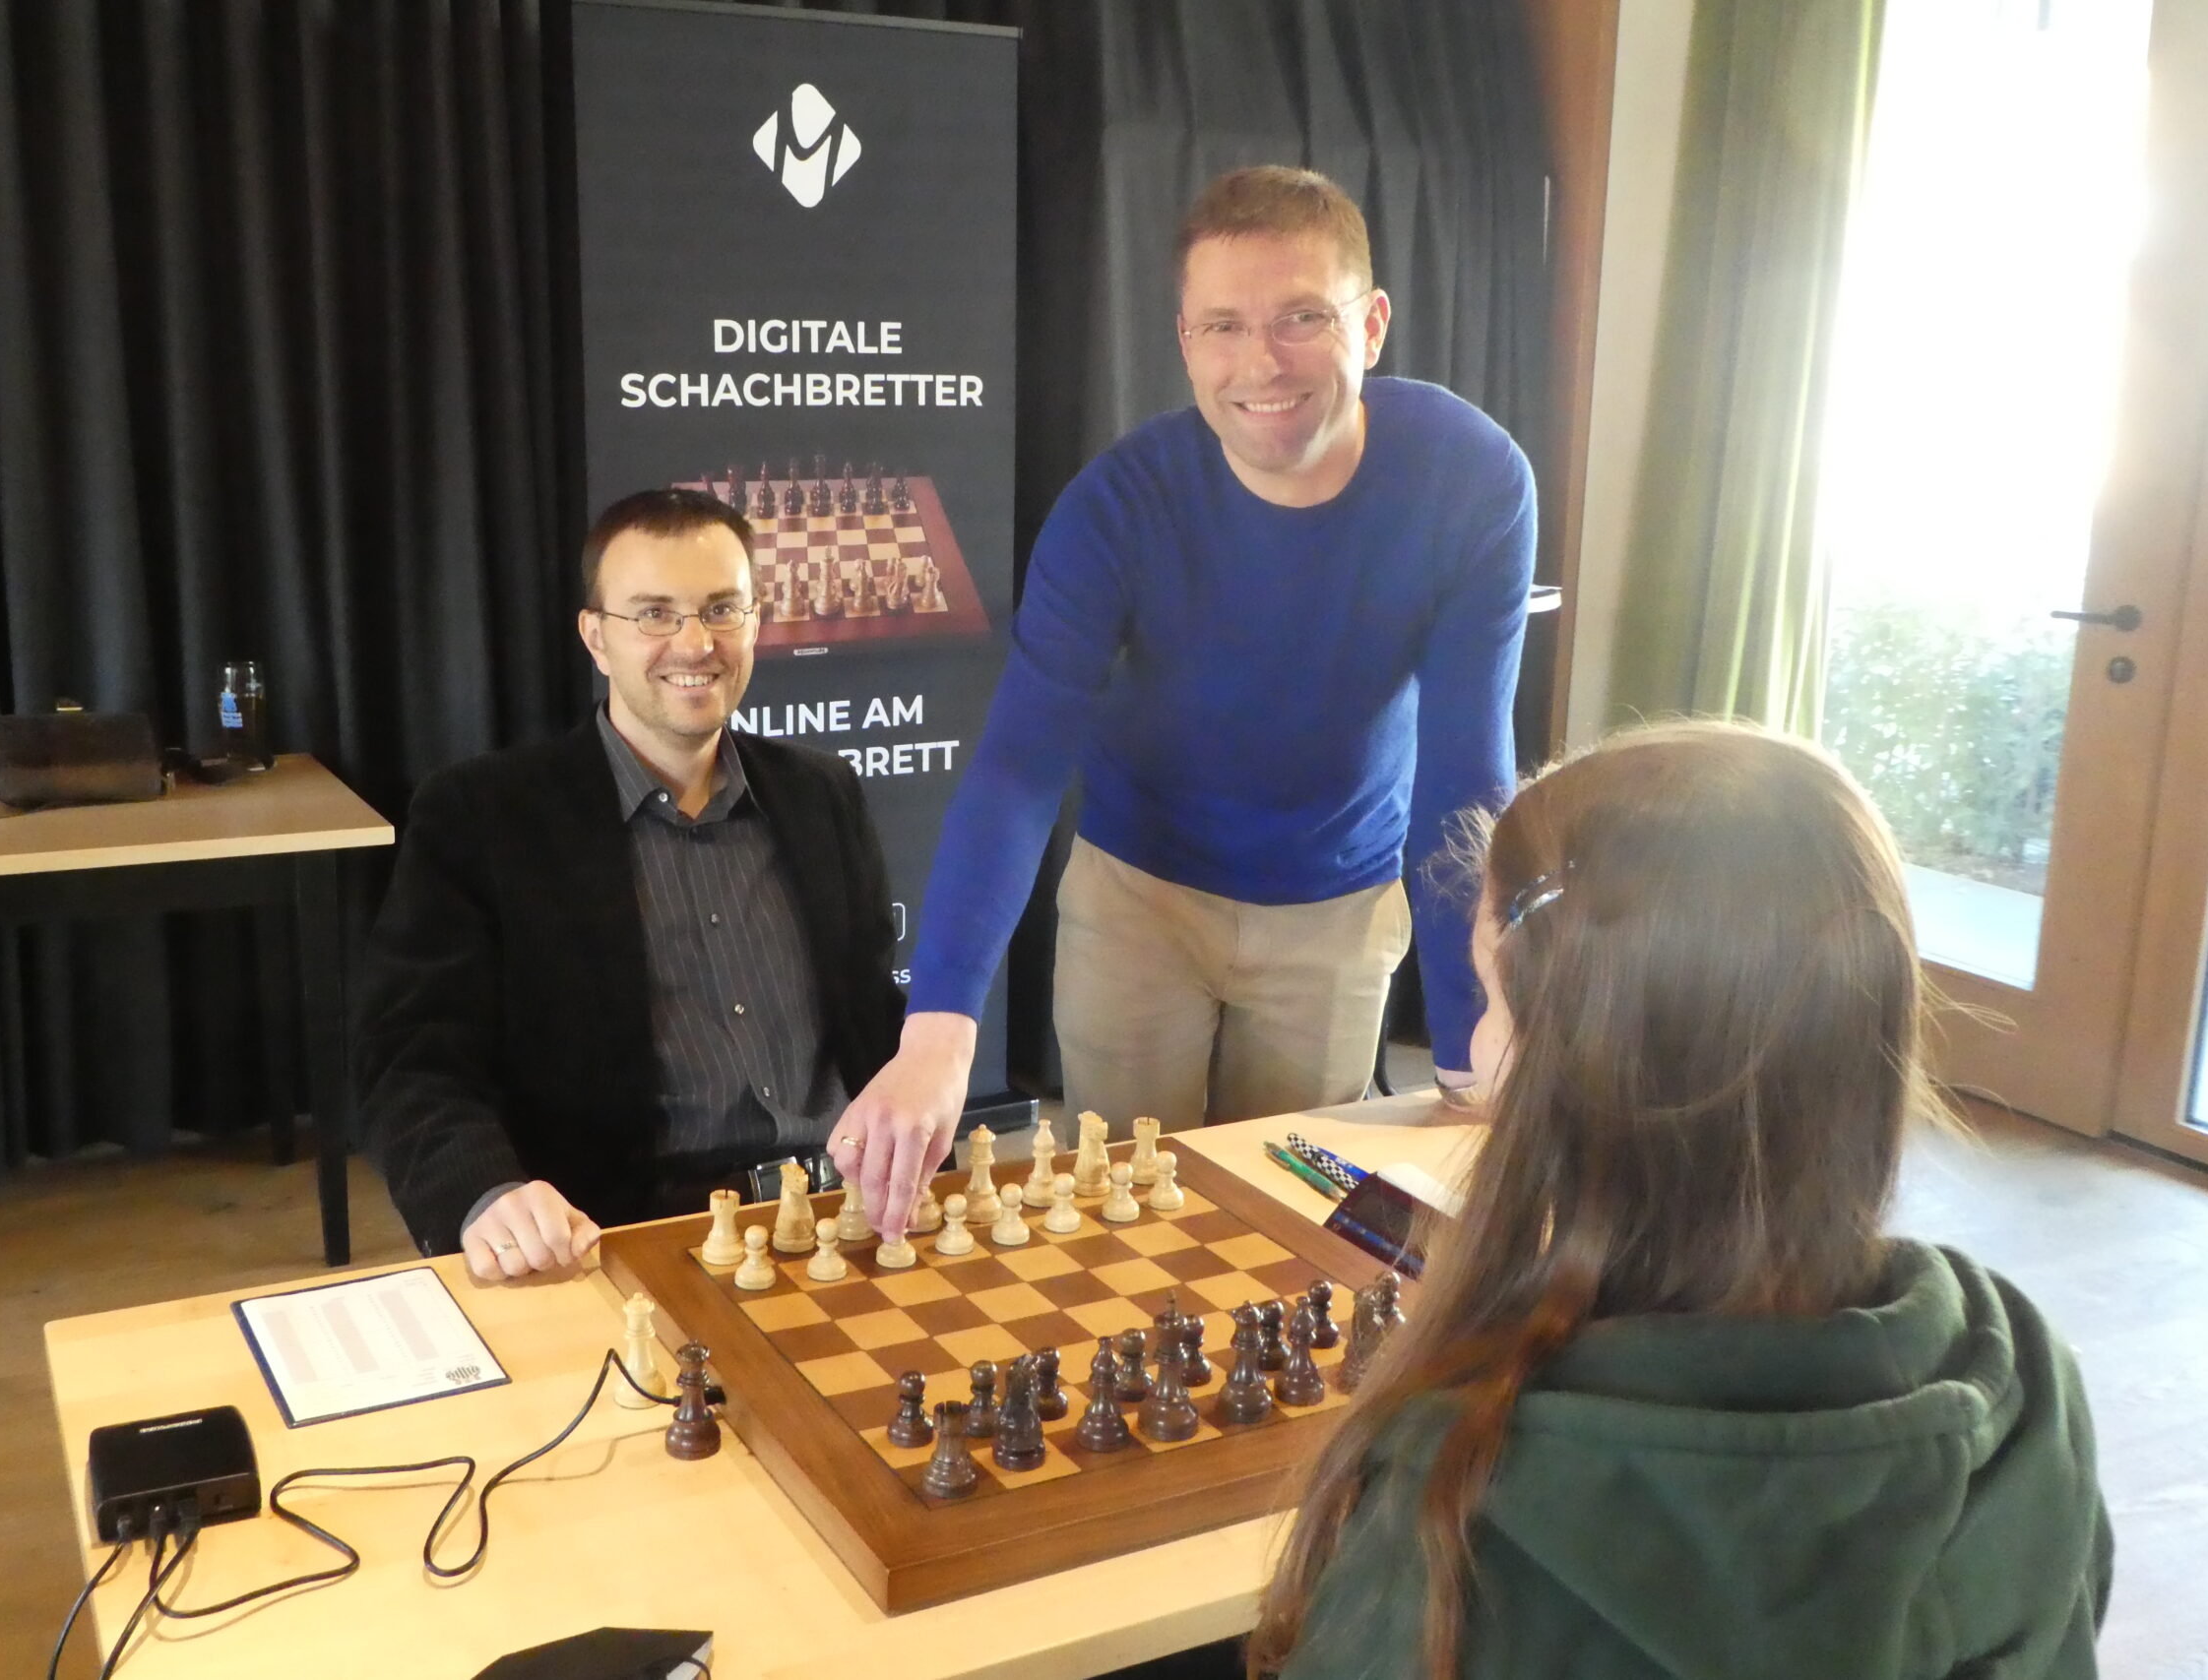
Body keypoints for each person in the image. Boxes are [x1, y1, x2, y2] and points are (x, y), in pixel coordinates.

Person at [1248, 723, 2111, 1680]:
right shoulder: (2025, 1376)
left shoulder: (1454, 1494)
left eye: (1491, 998)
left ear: (1573, 1054)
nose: (1478, 1048)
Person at [832, 164, 1537, 1241]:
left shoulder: (1471, 478)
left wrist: (1467, 1047)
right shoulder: (1117, 506)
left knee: (1294, 1231)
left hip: (1336, 905)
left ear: (1372, 325)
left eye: (1302, 317)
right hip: (1139, 900)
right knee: (1120, 1225)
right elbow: (1020, 764)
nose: (1261, 361)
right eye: (1224, 326)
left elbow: (1465, 773)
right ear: (1184, 341)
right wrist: (938, 1028)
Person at [355, 488, 905, 1280]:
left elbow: (877, 1020)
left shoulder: (823, 794)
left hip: (841, 1217)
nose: (696, 642)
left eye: (722, 609)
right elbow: (408, 1057)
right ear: (596, 637)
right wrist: (484, 1192)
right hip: (617, 1235)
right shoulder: (482, 815)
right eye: (654, 614)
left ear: (755, 622)